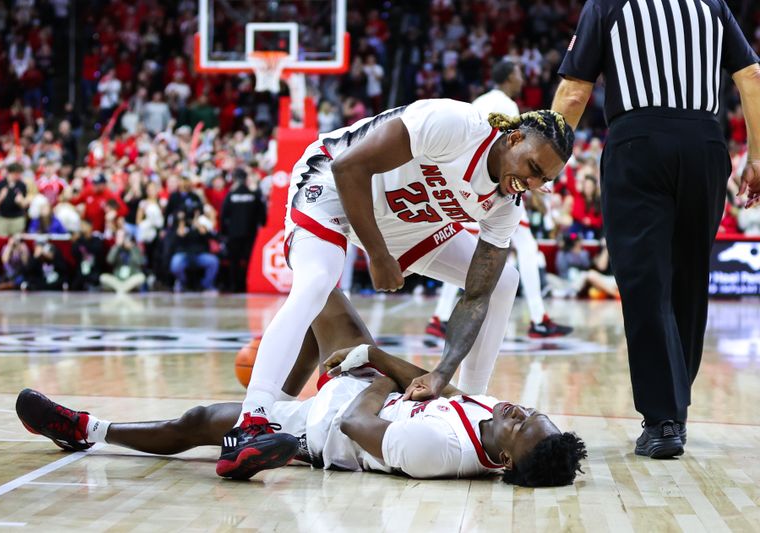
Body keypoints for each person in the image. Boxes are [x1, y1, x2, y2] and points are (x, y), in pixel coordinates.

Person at [219, 98, 574, 479]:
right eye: (533, 168)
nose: (533, 183)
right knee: (318, 281)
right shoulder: (457, 125)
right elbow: (349, 166)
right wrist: (378, 254)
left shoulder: (506, 205)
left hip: (406, 223)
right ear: (514, 138)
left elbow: (476, 295)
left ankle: (474, 403)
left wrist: (442, 374)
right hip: (335, 185)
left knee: (504, 280)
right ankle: (251, 420)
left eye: (544, 180)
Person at [16, 289, 586, 486]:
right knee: (321, 291)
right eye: (526, 410)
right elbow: (435, 388)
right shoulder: (490, 420)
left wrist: (371, 370)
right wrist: (376, 359)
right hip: (358, 387)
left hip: (321, 432)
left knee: (194, 422)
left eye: (519, 422)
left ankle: (87, 430)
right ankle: (262, 407)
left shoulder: (443, 454)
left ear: (507, 462)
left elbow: (355, 426)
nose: (514, 408)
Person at [551, 0, 760, 458]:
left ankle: (663, 420)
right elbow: (751, 76)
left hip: (638, 144)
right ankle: (674, 409)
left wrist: (545, 161)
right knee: (688, 282)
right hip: (705, 144)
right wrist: (758, 157)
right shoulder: (713, 5)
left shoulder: (607, 5)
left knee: (647, 283)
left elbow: (573, 92)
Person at [427, 60, 573, 339]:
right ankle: (538, 318)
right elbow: (508, 156)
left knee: (474, 250)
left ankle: (440, 315)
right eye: (518, 73)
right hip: (498, 190)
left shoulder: (482, 100)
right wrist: (533, 180)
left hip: (473, 184)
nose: (522, 78)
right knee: (523, 250)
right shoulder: (506, 106)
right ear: (508, 77)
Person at [220, 167, 266, 292]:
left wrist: (224, 233)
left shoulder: (231, 195)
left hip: (233, 234)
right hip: (250, 234)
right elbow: (262, 215)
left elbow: (223, 215)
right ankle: (247, 285)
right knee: (249, 260)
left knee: (234, 261)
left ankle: (234, 286)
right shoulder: (254, 195)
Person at [100, 230, 146, 294]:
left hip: (131, 280)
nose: (126, 241)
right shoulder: (117, 249)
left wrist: (132, 248)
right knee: (103, 277)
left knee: (141, 277)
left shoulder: (135, 249)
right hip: (118, 280)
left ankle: (121, 290)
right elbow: (109, 260)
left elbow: (140, 262)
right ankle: (123, 289)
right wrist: (117, 246)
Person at [0, 163, 29, 237]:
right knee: (1, 242)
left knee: (17, 242)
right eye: (17, 174)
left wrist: (21, 202)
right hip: (3, 218)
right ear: (11, 173)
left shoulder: (22, 185)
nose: (19, 176)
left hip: (17, 218)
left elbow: (24, 205)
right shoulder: (0, 184)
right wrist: (1, 197)